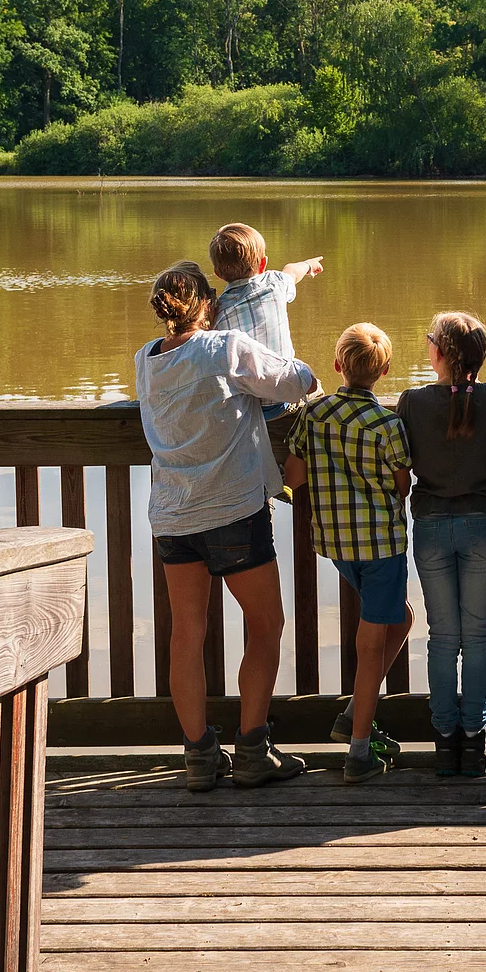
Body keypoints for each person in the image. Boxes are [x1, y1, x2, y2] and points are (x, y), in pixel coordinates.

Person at [135, 260, 318, 792]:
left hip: (172, 515)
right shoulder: (223, 347)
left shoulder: (146, 360)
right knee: (266, 626)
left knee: (186, 636)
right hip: (233, 511)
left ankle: (198, 756)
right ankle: (253, 749)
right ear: (207, 304)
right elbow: (296, 381)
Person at [284, 323, 414, 785]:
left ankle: (354, 713)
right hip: (381, 544)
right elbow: (402, 486)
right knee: (372, 639)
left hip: (337, 543)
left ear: (338, 365)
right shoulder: (388, 423)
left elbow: (293, 475)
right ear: (384, 372)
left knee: (400, 619)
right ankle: (358, 750)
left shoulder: (314, 414)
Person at [397, 311, 486, 777]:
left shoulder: (411, 401)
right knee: (477, 637)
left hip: (431, 527)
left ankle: (445, 743)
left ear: (437, 353)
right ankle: (475, 739)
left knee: (442, 638)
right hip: (481, 522)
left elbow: (405, 463)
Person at [209, 221, 324, 420]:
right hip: (284, 402)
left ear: (218, 274)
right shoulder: (274, 284)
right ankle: (317, 397)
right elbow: (291, 271)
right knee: (303, 371)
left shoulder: (217, 311)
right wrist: (308, 265)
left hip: (245, 407)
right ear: (263, 263)